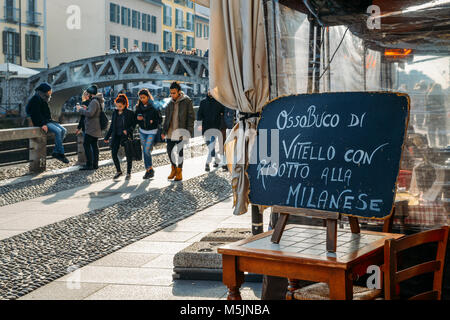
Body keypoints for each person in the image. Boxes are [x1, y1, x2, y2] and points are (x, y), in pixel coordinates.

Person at [26, 82, 69, 164]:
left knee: (64, 130)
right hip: (42, 122)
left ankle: (56, 151)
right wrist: (42, 124)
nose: (50, 93)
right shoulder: (36, 99)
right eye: (49, 92)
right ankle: (61, 154)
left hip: (48, 120)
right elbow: (36, 114)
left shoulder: (43, 98)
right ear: (43, 91)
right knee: (58, 131)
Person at [161, 82, 195, 181]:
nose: (172, 95)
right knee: (169, 151)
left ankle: (179, 172)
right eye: (171, 93)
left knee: (180, 152)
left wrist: (188, 132)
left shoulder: (187, 101)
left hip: (181, 131)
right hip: (170, 131)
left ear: (179, 92)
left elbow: (191, 117)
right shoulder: (169, 102)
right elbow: (167, 118)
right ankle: (173, 169)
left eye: (174, 93)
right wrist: (164, 131)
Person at [104, 94, 136, 180]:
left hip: (125, 136)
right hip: (116, 136)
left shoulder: (130, 113)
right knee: (113, 153)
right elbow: (111, 126)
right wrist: (107, 137)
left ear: (125, 104)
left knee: (128, 154)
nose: (118, 108)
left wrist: (128, 130)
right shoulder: (115, 113)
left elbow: (134, 125)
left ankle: (128, 172)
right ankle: (119, 171)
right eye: (117, 106)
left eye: (120, 106)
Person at [135, 89, 162, 179]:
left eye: (144, 97)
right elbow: (135, 119)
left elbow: (160, 119)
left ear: (148, 97)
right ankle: (148, 170)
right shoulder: (138, 107)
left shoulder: (154, 106)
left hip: (152, 131)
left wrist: (153, 121)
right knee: (145, 151)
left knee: (146, 150)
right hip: (142, 131)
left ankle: (149, 168)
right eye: (141, 98)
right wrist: (137, 119)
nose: (142, 99)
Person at [76, 85, 104, 171]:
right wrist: (87, 108)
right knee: (94, 146)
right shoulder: (98, 101)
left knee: (87, 144)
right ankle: (95, 164)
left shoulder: (94, 101)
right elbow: (93, 112)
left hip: (91, 128)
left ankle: (89, 164)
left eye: (88, 93)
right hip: (95, 127)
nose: (87, 95)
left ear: (91, 94)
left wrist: (80, 109)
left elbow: (90, 114)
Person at [197, 92, 225, 172]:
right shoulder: (203, 102)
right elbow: (199, 114)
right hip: (205, 128)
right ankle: (216, 159)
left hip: (215, 128)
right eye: (209, 91)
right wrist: (199, 124)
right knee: (210, 146)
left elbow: (223, 112)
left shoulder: (219, 102)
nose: (210, 92)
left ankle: (207, 164)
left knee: (211, 145)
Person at [425, 83, 448, 148]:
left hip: (432, 116)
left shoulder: (429, 94)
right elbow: (445, 105)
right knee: (441, 130)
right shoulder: (443, 95)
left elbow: (428, 106)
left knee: (431, 131)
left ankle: (433, 145)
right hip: (441, 115)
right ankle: (443, 144)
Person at [221, 106, 237, 171]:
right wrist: (228, 123)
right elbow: (226, 113)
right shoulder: (229, 102)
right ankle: (228, 164)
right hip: (231, 127)